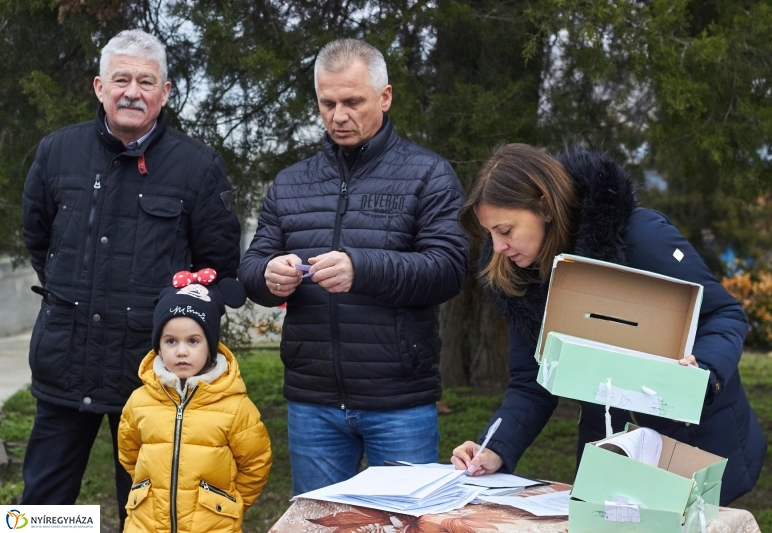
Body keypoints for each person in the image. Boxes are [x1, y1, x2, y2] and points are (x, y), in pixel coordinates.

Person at [450, 144, 766, 506]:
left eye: (505, 230)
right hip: (609, 450)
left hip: (692, 441)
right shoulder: (518, 276)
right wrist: (493, 448)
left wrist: (704, 371)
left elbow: (725, 314)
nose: (497, 247)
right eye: (490, 233)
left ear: (545, 207)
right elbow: (532, 381)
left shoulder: (640, 235)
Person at [21, 29, 241, 526]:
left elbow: (218, 265)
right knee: (38, 510)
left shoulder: (197, 167)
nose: (132, 92)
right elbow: (40, 241)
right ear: (99, 87)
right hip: (64, 365)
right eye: (121, 79)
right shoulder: (57, 152)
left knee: (148, 514)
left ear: (165, 92)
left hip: (150, 379)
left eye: (146, 81)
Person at [238, 38, 469, 494]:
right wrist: (267, 276)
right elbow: (251, 267)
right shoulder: (290, 183)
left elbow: (447, 268)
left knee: (402, 523)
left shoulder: (429, 174)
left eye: (352, 102)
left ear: (385, 97)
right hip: (313, 400)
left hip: (399, 400)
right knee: (322, 522)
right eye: (327, 104)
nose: (338, 116)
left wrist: (361, 269)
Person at [118, 271, 272, 533]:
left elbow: (255, 463)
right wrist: (147, 489)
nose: (181, 351)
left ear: (210, 345)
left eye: (193, 341)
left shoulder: (235, 406)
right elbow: (129, 452)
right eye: (170, 341)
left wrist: (230, 504)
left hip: (212, 525)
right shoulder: (139, 401)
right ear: (158, 347)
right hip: (147, 524)